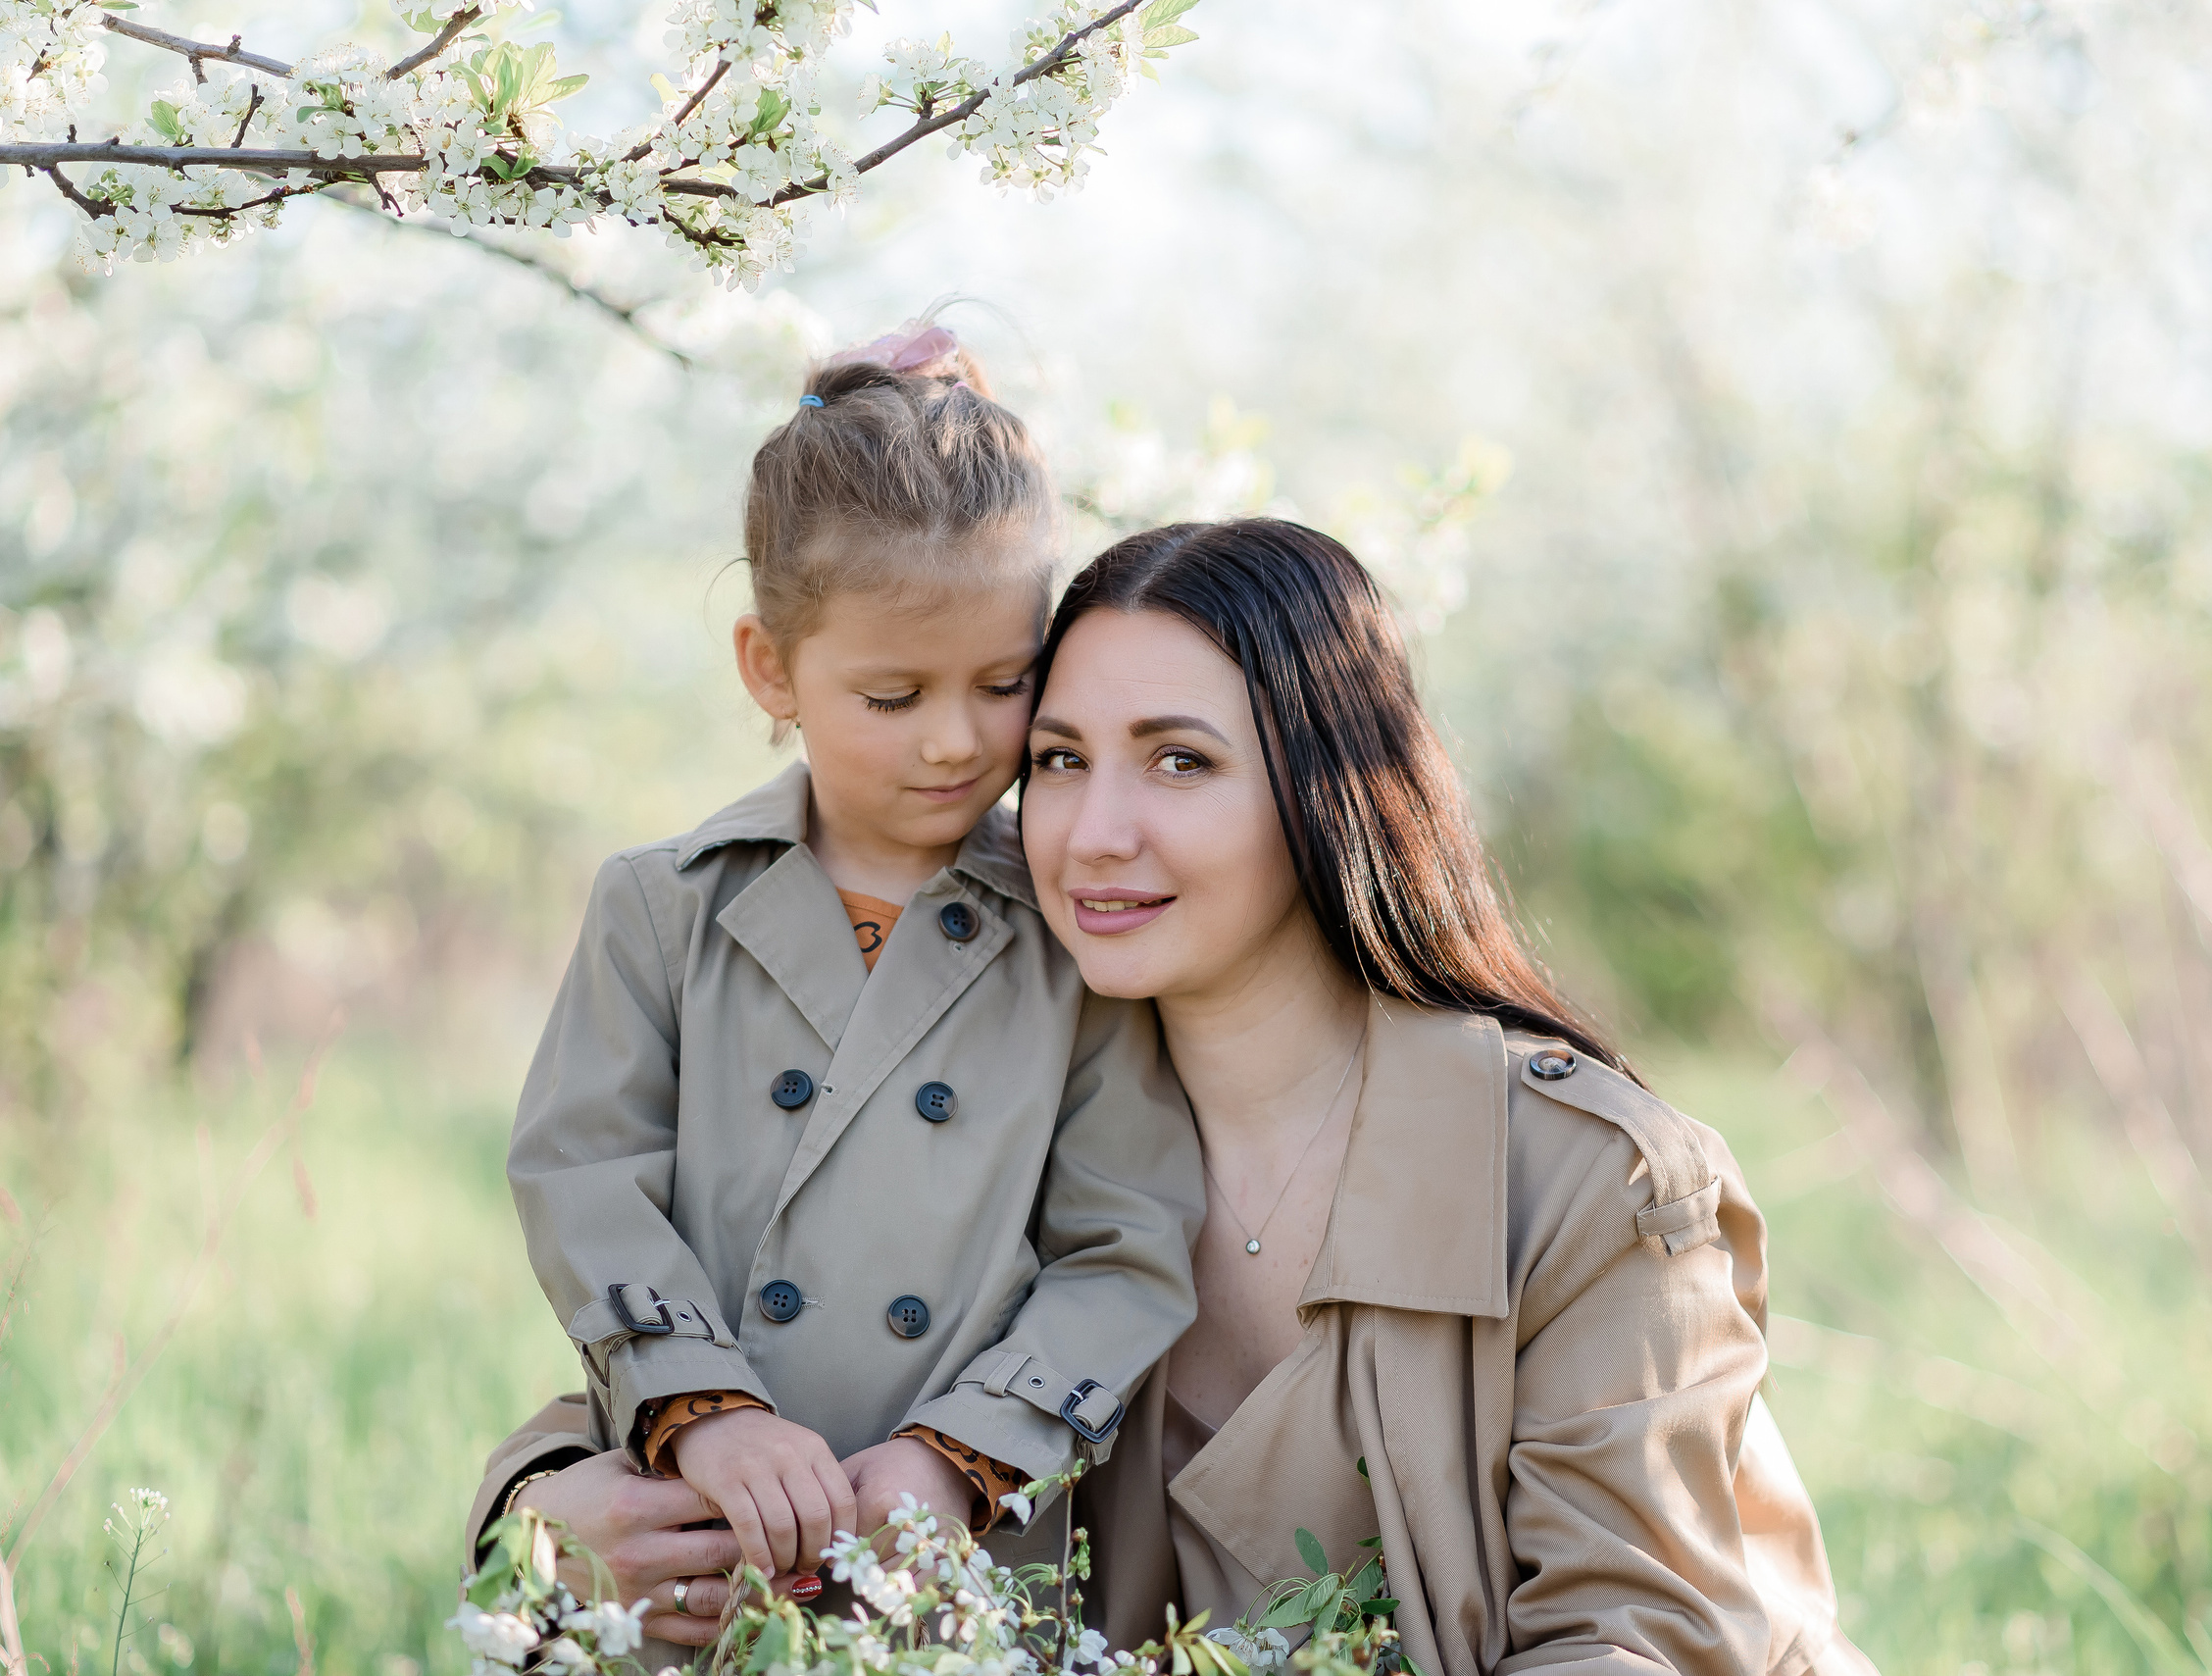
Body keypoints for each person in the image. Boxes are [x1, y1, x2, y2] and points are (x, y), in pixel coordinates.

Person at [1020, 519, 1874, 1676]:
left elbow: (1629, 1640)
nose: (1093, 833)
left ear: (1327, 788)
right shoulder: (1007, 1145)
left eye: (1181, 760)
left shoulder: (1587, 1178)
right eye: (1058, 759)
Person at [466, 323, 1202, 1649]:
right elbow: (583, 1181)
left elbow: (1125, 1248)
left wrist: (956, 1457)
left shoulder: (1067, 935)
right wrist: (706, 1409)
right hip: (698, 1525)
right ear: (771, 669)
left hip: (953, 1556)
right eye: (891, 693)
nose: (956, 738)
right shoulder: (664, 908)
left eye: (1002, 681)